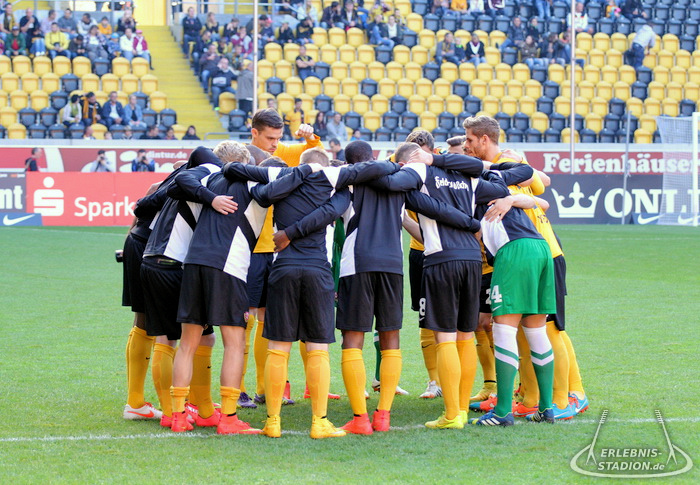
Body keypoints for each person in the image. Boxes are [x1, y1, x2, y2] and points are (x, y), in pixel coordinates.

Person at [230, 147, 396, 439]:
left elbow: (235, 170)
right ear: (325, 166)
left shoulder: (281, 175)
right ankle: (319, 422)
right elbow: (377, 171)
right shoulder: (334, 179)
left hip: (283, 268)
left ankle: (273, 422)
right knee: (318, 347)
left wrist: (290, 225)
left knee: (278, 347)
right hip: (318, 270)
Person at [168, 142, 316, 434]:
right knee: (234, 343)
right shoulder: (256, 184)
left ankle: (178, 416)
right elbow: (285, 184)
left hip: (194, 262)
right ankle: (229, 418)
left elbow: (179, 181)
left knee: (187, 344)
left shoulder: (211, 179)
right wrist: (310, 168)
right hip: (228, 265)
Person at [454, 116, 556, 427]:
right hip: (540, 248)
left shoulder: (471, 186)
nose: (466, 146)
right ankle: (546, 408)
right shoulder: (497, 179)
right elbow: (534, 189)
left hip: (514, 252)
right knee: (536, 330)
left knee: (503, 330)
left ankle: (502, 412)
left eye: (468, 141)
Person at [138, 147, 234, 429]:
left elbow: (146, 205)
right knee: (201, 339)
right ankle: (200, 410)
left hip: (152, 260)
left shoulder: (184, 184)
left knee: (167, 339)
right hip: (175, 265)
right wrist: (213, 198)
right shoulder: (211, 173)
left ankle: (173, 412)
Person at [245, 109, 324, 407]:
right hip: (249, 249)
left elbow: (317, 157)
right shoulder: (243, 157)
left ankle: (265, 387)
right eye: (269, 138)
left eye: (278, 138)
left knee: (268, 319)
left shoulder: (284, 152)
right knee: (243, 321)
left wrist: (310, 137)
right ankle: (238, 388)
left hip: (277, 250)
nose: (274, 144)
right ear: (254, 132)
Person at [120, 164, 188, 423]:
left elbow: (139, 214)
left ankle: (136, 401)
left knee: (144, 321)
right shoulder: (193, 186)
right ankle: (170, 406)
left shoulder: (159, 186)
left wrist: (127, 244)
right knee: (164, 329)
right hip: (156, 252)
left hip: (138, 243)